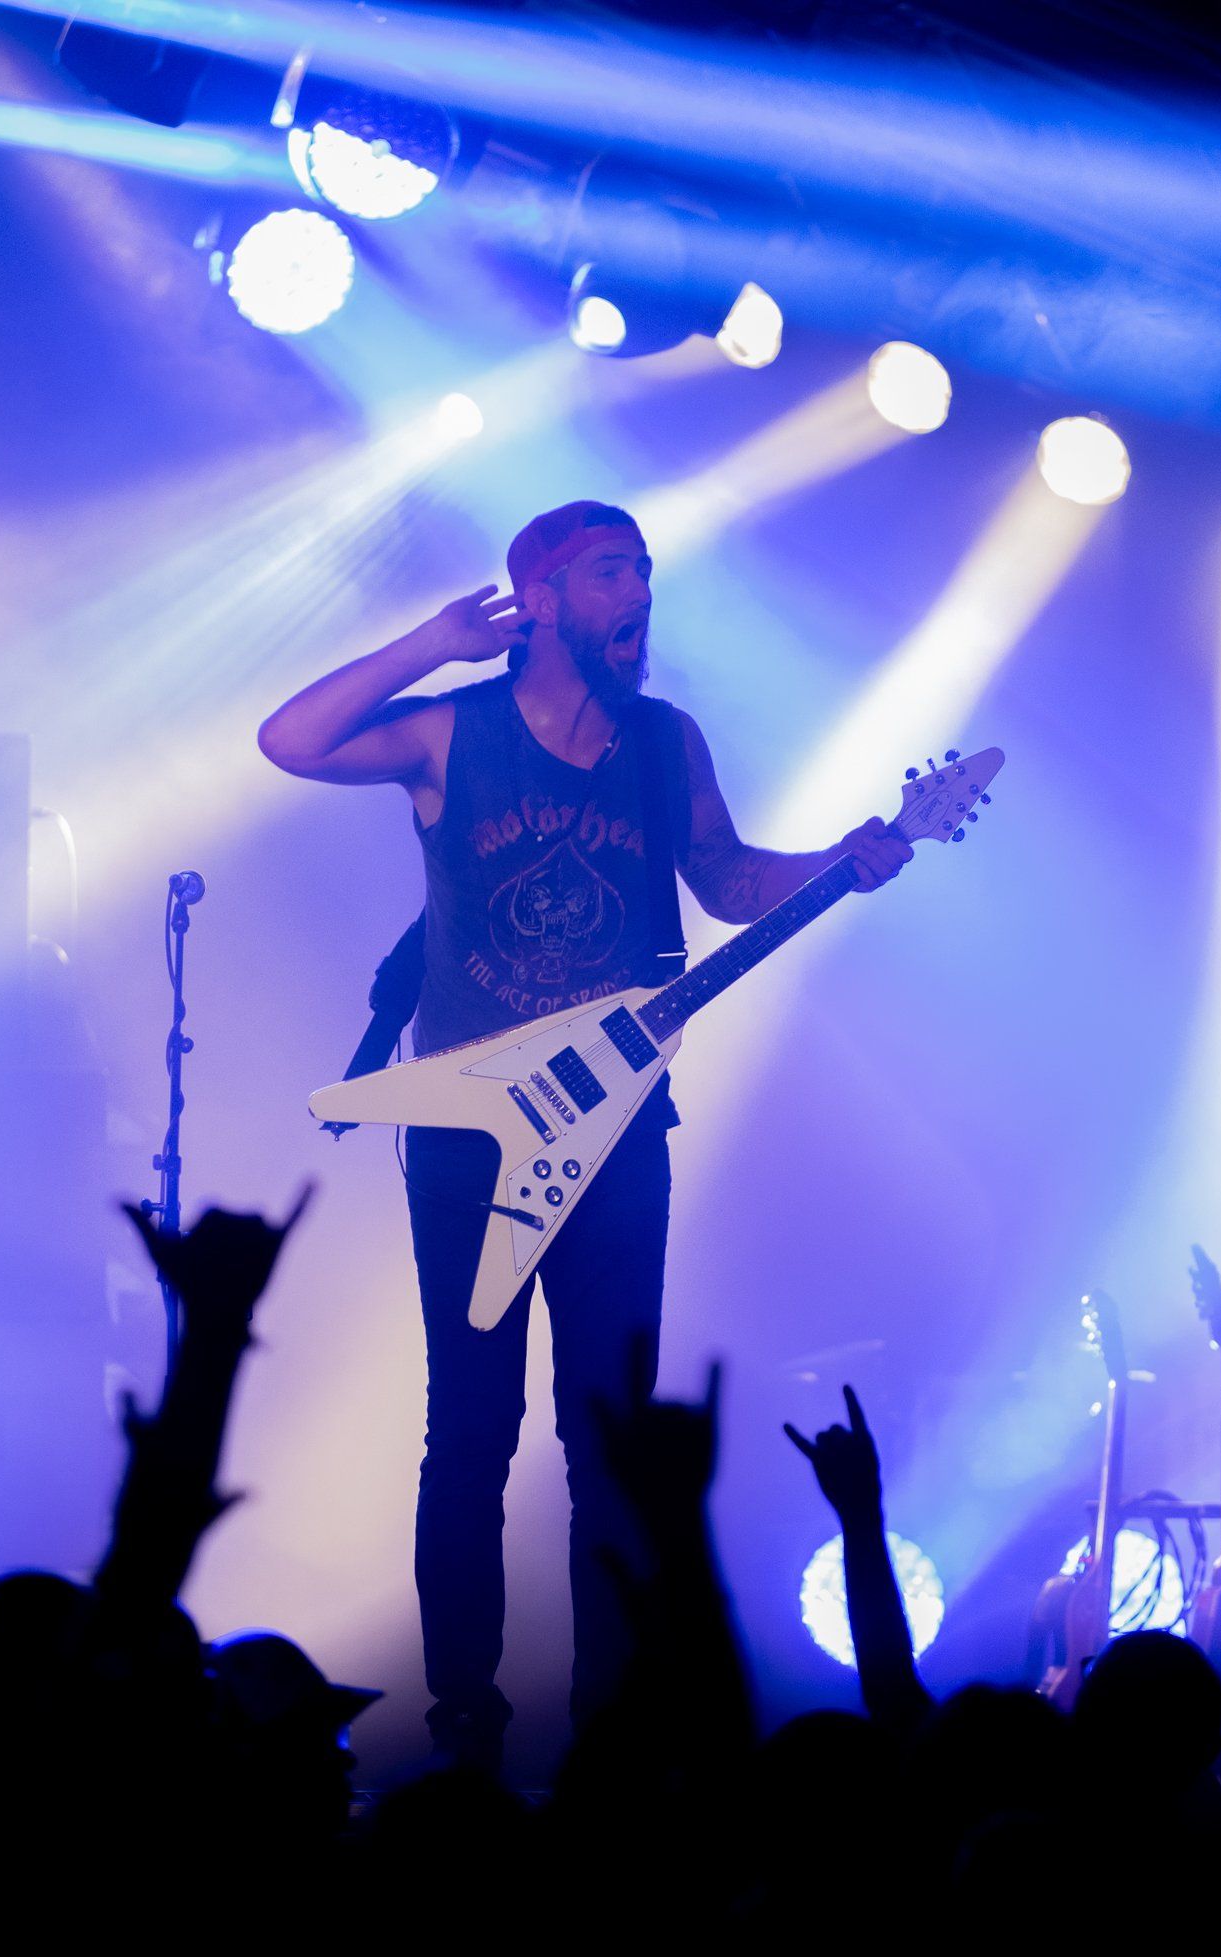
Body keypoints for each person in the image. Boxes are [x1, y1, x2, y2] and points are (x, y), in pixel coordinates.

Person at [259, 499, 911, 1763]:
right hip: (468, 1138)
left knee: (610, 1432)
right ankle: (464, 1715)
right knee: (471, 1428)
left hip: (618, 1132)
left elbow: (730, 882)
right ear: (544, 598)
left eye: (646, 574)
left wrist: (845, 855)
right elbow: (290, 739)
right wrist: (428, 644)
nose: (641, 595)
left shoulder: (665, 744)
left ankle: (610, 1723)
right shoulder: (454, 730)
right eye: (613, 573)